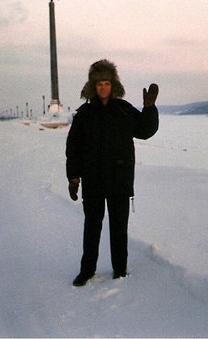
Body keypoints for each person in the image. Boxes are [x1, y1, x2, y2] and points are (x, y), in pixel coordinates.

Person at [65, 59, 159, 286]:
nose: (103, 88)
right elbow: (74, 148)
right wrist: (74, 177)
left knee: (119, 227)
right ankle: (87, 271)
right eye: (99, 84)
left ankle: (120, 269)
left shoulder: (124, 110)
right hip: (93, 180)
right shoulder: (84, 114)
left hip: (119, 179)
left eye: (106, 83)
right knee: (92, 227)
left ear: (113, 85)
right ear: (93, 86)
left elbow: (145, 131)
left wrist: (149, 109)